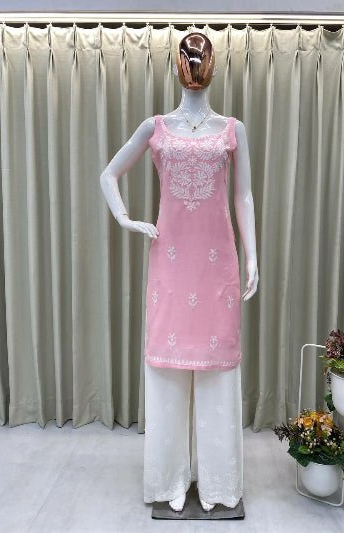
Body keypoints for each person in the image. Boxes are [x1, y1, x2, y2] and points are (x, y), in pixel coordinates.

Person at [100, 32, 259, 513]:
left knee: (217, 374)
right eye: (188, 59)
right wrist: (125, 218)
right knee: (168, 371)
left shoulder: (233, 130)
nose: (195, 66)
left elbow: (243, 197)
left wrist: (253, 257)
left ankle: (217, 485)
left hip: (218, 265)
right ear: (175, 67)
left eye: (202, 58)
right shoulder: (156, 128)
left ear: (215, 66)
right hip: (170, 264)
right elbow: (108, 174)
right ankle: (169, 479)